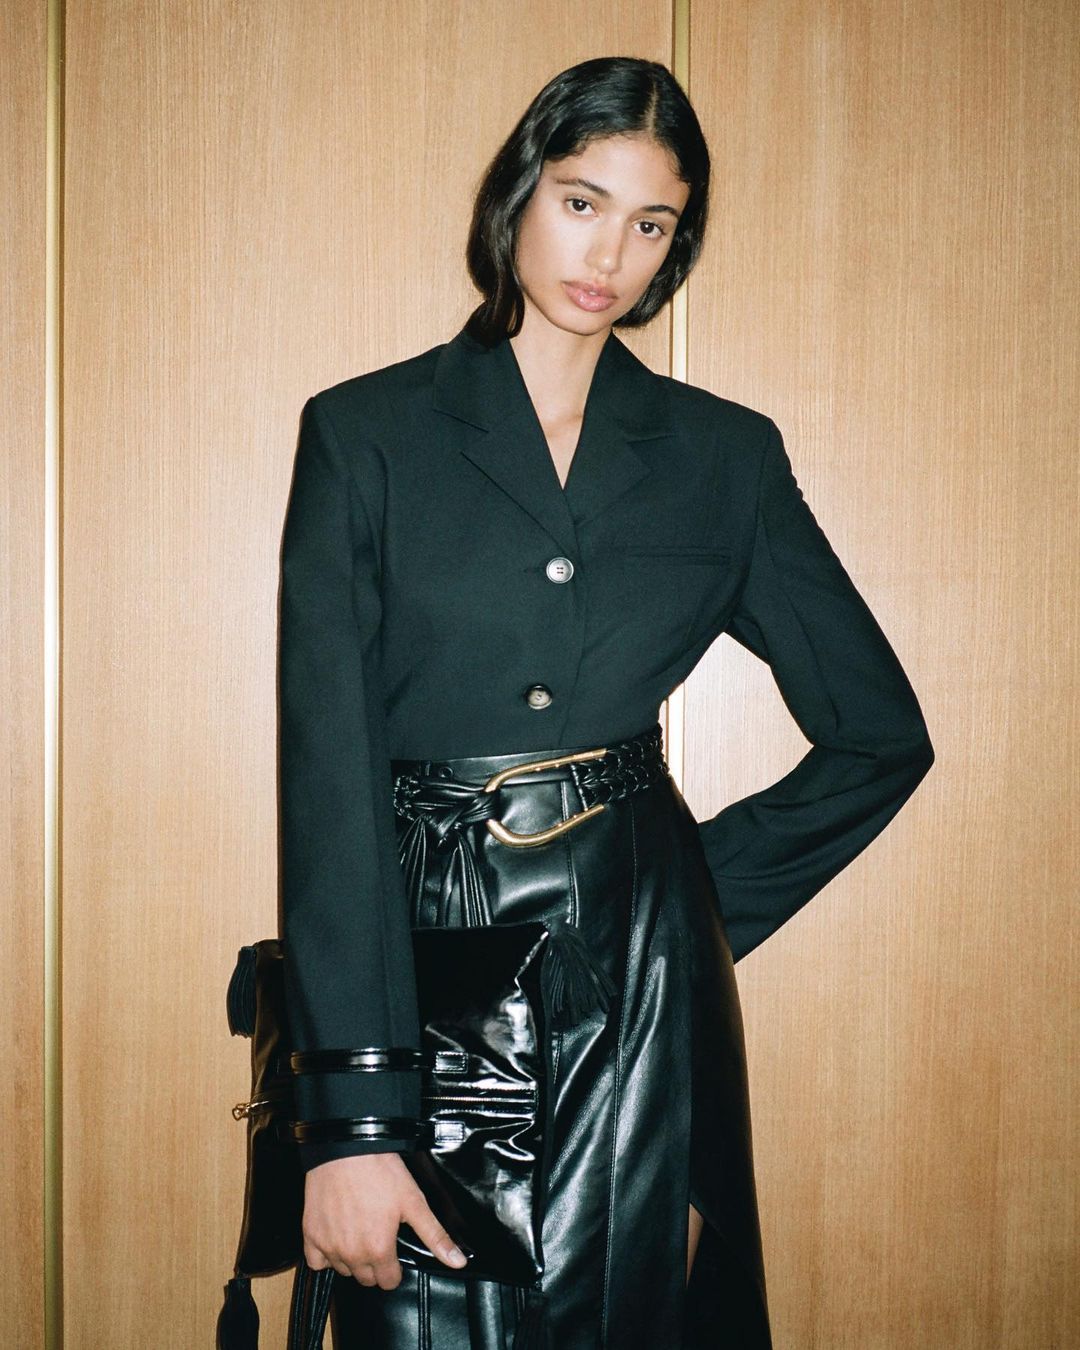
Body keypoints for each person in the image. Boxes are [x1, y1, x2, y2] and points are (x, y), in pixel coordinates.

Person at [277, 56, 934, 1349]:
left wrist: (685, 908)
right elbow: (327, 785)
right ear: (520, 192)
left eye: (652, 223)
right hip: (423, 966)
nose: (610, 254)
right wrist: (351, 1122)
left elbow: (878, 735)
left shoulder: (724, 457)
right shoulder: (366, 434)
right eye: (582, 202)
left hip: (643, 999)